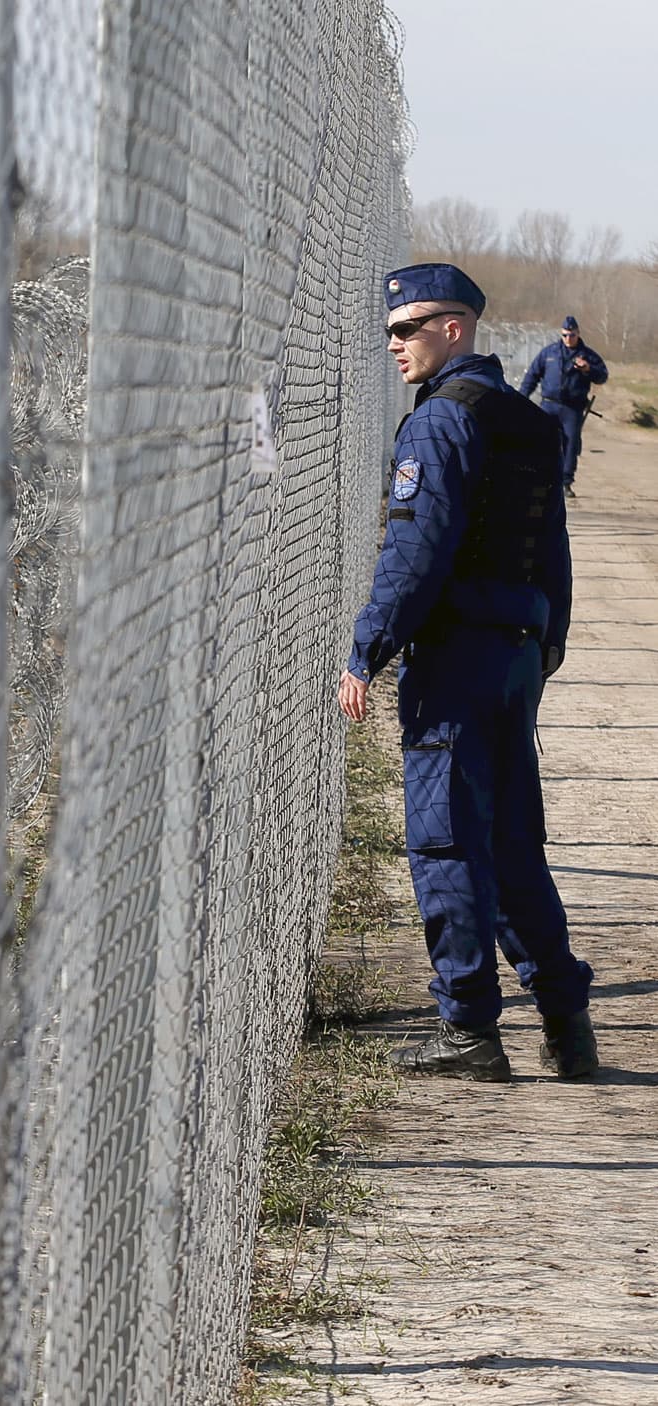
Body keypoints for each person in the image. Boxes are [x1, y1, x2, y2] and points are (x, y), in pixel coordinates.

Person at [338, 262, 595, 1083]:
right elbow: (550, 548)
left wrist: (367, 649)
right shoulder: (525, 421)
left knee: (446, 841)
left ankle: (469, 1030)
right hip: (516, 651)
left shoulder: (439, 423)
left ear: (454, 329)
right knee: (514, 842)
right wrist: (544, 644)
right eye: (389, 332)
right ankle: (564, 1019)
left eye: (407, 329)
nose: (394, 345)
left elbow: (416, 551)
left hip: (454, 661)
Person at [518, 314, 608, 498]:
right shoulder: (549, 353)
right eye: (565, 335)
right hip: (549, 405)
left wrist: (588, 369)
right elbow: (532, 376)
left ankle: (565, 482)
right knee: (543, 441)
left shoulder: (588, 355)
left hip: (572, 408)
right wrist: (521, 398)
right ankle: (541, 477)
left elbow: (602, 375)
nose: (568, 339)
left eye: (572, 335)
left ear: (578, 334)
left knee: (570, 444)